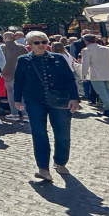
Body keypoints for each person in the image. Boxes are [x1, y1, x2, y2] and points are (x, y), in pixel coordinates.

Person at [13, 31, 80, 181]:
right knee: (39, 134)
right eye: (37, 43)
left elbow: (70, 79)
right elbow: (19, 80)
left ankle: (60, 161)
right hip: (34, 101)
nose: (41, 45)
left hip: (59, 101)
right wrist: (17, 99)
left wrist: (74, 98)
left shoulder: (58, 58)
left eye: (44, 42)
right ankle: (43, 168)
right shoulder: (23, 60)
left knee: (63, 133)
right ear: (29, 45)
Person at [80, 34, 109, 116]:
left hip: (96, 74)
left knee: (102, 92)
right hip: (108, 73)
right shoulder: (107, 49)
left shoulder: (86, 50)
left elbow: (85, 64)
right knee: (108, 91)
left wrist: (83, 75)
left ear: (86, 41)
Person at [1, 32, 29, 123]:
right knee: (22, 93)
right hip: (20, 72)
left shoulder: (1, 47)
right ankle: (25, 114)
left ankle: (15, 113)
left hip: (6, 72)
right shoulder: (21, 47)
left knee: (10, 93)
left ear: (5, 38)